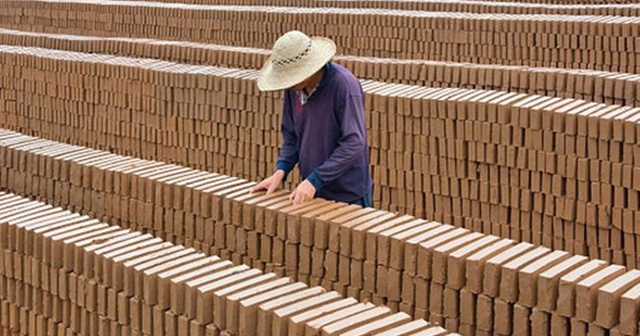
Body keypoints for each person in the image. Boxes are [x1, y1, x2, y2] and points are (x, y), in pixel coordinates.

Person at [251, 30, 372, 207]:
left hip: (348, 194)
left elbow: (353, 143)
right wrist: (281, 171)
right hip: (314, 191)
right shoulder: (294, 89)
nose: (290, 84)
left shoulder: (344, 86)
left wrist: (315, 180)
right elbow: (291, 136)